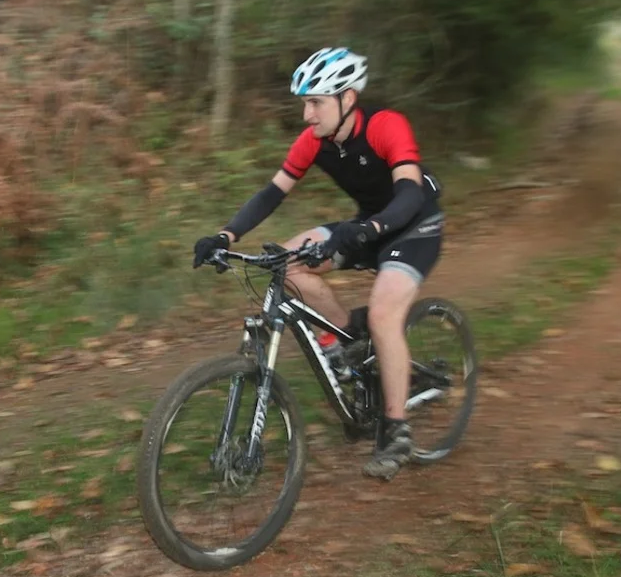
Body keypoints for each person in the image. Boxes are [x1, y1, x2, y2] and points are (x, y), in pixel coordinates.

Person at [191, 47, 445, 481]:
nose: (306, 114)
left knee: (384, 313)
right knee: (285, 263)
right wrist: (225, 236)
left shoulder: (385, 125)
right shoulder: (315, 140)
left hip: (414, 227)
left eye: (315, 103)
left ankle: (396, 430)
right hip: (365, 226)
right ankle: (346, 339)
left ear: (347, 98)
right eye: (305, 103)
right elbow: (272, 193)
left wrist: (370, 228)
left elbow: (410, 192)